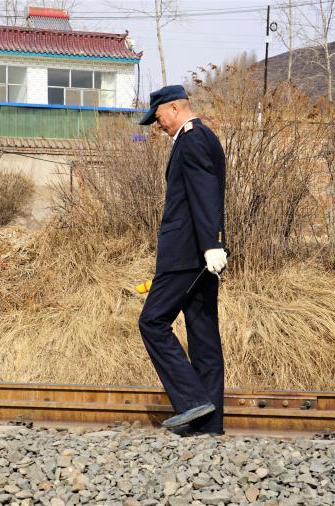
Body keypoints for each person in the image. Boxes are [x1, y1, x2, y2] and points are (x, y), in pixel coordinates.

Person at [137, 84, 227, 436]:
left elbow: (204, 193)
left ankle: (191, 401)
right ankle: (208, 424)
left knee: (152, 322)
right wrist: (212, 246)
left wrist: (212, 244)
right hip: (200, 254)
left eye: (159, 117)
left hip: (185, 255)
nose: (157, 125)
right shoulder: (202, 137)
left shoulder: (192, 140)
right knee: (203, 334)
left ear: (174, 108)